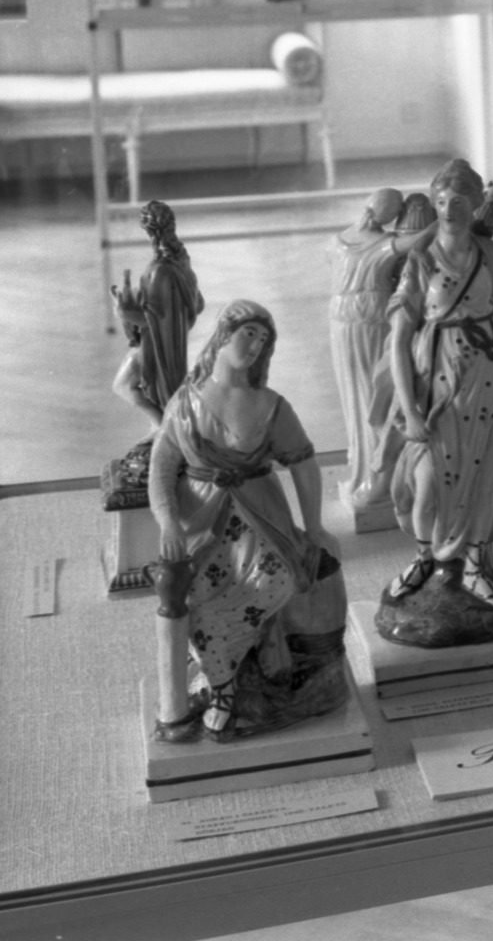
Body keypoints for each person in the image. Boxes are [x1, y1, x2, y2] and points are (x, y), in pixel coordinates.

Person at [148, 300, 345, 743]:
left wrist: (314, 527)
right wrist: (168, 525)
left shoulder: (271, 406)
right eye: (248, 334)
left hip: (262, 522)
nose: (255, 345)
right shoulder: (185, 403)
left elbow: (304, 465)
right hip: (201, 524)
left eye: (264, 339)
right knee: (194, 594)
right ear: (223, 334)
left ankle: (223, 687)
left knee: (270, 583)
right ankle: (220, 681)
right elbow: (160, 470)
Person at [385, 158, 493, 611]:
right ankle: (425, 558)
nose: (449, 210)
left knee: (485, 473)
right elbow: (398, 342)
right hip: (435, 381)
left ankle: (477, 567)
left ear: (477, 204)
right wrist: (410, 409)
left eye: (460, 201)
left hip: (487, 376)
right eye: (442, 201)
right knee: (427, 481)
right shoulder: (421, 262)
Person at [328, 188, 434, 510]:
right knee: (376, 396)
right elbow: (420, 240)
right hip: (370, 323)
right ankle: (376, 477)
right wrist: (446, 217)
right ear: (391, 215)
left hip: (340, 320)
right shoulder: (383, 244)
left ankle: (368, 473)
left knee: (359, 398)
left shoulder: (338, 241)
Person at [110, 199, 204, 425]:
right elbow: (197, 304)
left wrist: (124, 313)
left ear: (149, 231)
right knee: (129, 386)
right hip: (170, 344)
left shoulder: (159, 271)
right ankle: (163, 426)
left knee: (123, 385)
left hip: (155, 347)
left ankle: (162, 426)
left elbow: (155, 320)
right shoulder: (181, 261)